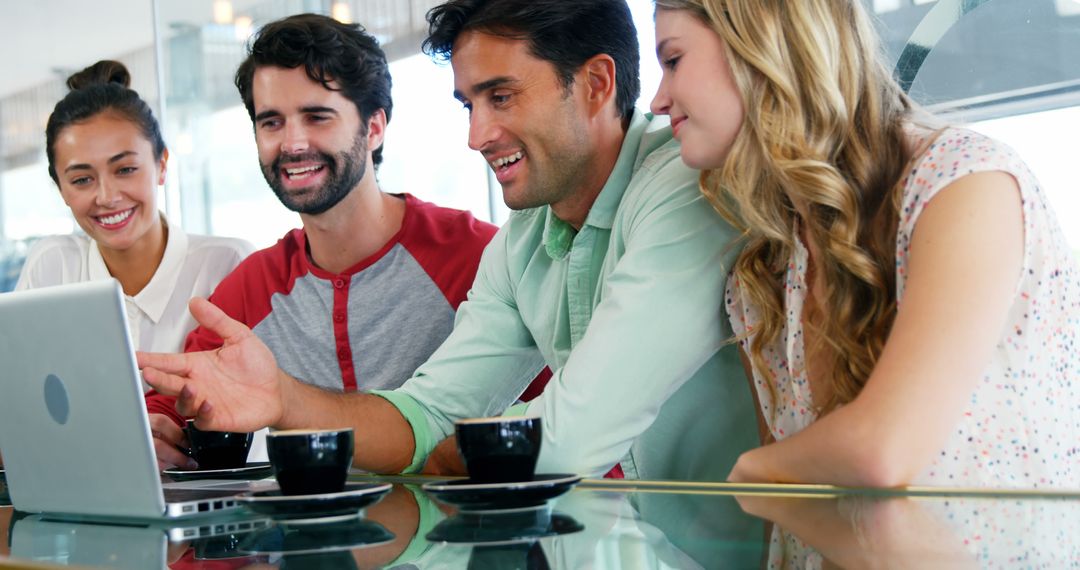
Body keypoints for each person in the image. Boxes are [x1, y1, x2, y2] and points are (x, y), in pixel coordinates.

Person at [139, 0, 757, 483]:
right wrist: (282, 398)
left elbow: (572, 433)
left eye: (502, 96)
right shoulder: (520, 245)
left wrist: (449, 452)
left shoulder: (684, 183)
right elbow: (428, 413)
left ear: (596, 83)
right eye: (469, 104)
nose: (477, 135)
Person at [650, 0, 1080, 487]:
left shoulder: (964, 183)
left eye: (673, 60)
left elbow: (878, 454)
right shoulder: (760, 277)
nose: (657, 101)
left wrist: (751, 476)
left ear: (759, 41)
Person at [143, 14, 507, 471]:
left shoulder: (477, 256)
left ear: (374, 128)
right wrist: (159, 433)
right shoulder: (256, 284)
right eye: (271, 122)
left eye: (316, 117)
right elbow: (171, 399)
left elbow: (554, 424)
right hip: (310, 539)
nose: (293, 143)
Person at [0, 61, 253, 469]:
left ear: (162, 164)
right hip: (85, 502)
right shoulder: (53, 266)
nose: (107, 196)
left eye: (126, 169)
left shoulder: (227, 263)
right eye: (82, 179)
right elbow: (20, 412)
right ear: (61, 189)